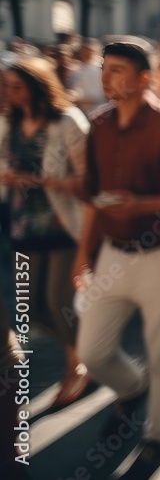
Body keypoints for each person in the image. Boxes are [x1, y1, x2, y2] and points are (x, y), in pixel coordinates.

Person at [71, 37, 160, 479]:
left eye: (116, 70)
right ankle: (131, 389)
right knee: (92, 353)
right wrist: (83, 254)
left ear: (144, 78)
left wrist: (140, 205)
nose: (105, 77)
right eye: (104, 69)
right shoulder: (99, 125)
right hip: (112, 254)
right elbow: (93, 199)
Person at [0, 57, 90, 406]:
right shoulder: (9, 124)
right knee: (31, 309)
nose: (8, 92)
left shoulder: (67, 122)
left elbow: (88, 181)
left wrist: (49, 181)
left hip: (63, 226)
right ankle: (92, 345)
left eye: (16, 86)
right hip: (22, 227)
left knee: (58, 300)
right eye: (6, 86)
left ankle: (78, 365)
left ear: (38, 85)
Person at [68, 38, 105, 115]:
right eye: (83, 51)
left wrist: (85, 101)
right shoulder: (76, 70)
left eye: (89, 51)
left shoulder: (100, 70)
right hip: (81, 111)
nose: (85, 53)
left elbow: (103, 96)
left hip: (99, 110)